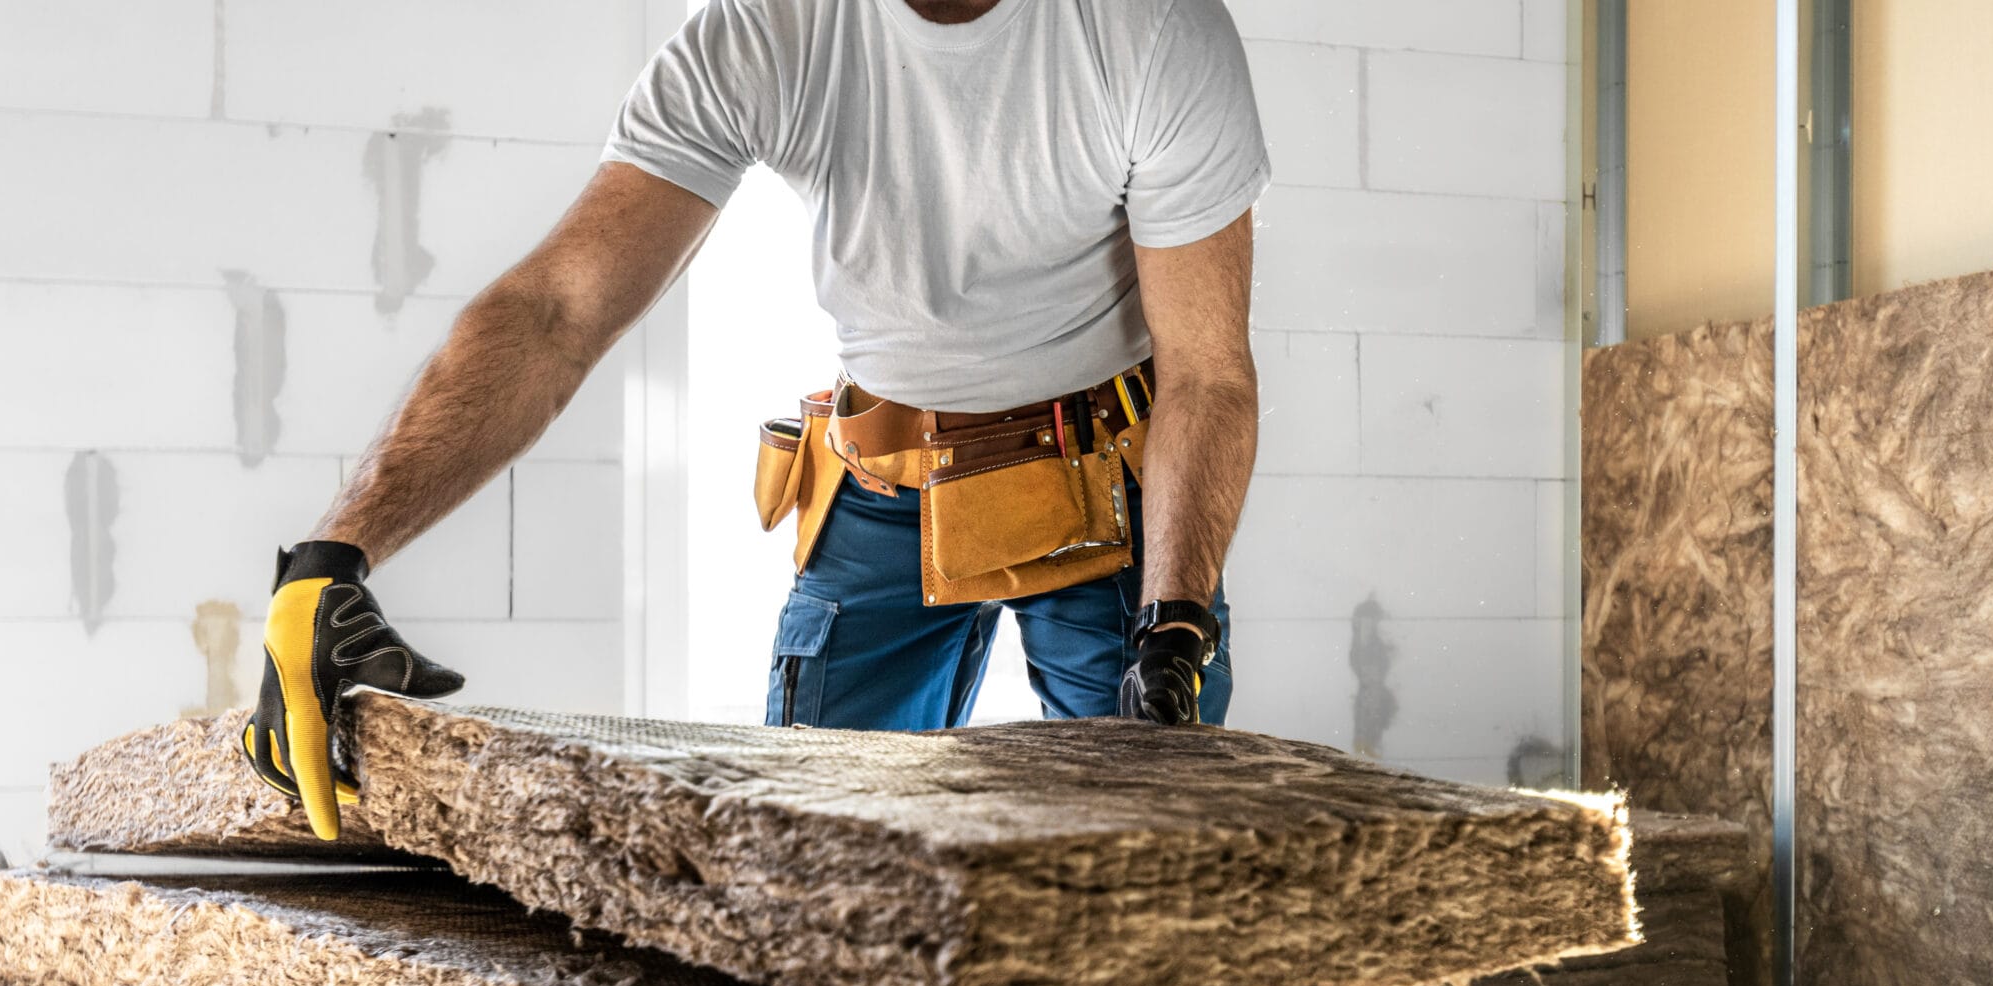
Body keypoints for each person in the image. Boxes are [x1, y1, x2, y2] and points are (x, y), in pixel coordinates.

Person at [243, 0, 1268, 841]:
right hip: (881, 489)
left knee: (1158, 847)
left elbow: (1207, 375)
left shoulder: (1152, 31)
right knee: (805, 852)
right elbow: (557, 313)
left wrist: (1173, 622)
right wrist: (333, 557)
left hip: (1105, 496)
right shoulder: (765, 29)